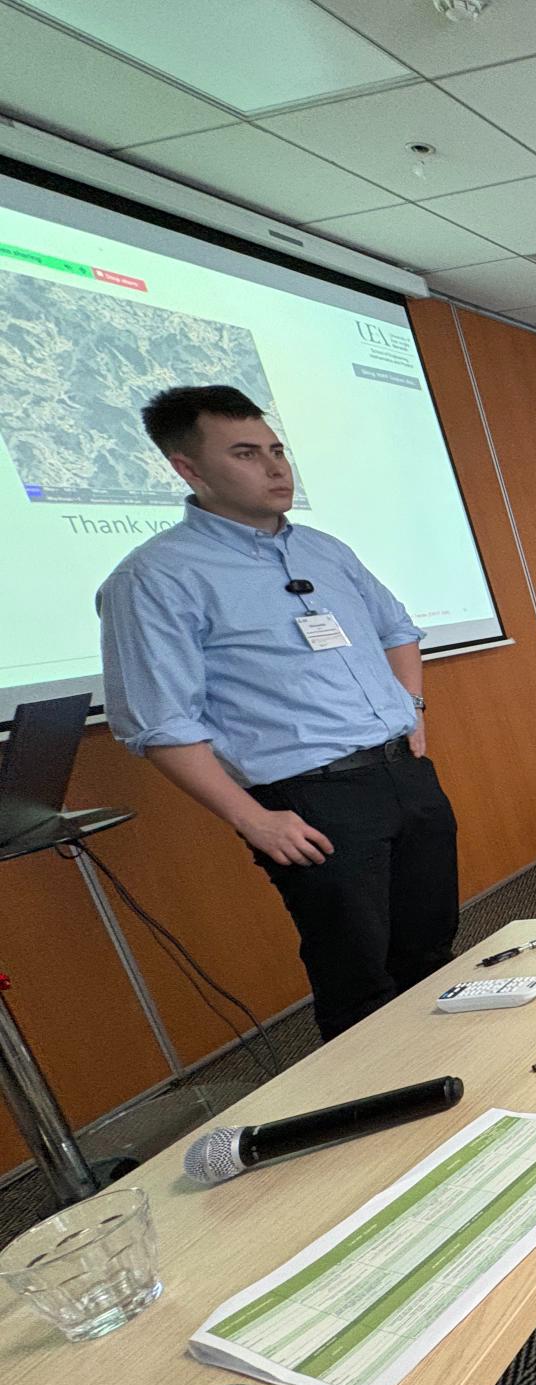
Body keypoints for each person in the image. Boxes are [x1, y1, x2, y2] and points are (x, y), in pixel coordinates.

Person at [97, 385, 458, 1043]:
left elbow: (397, 629)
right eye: (245, 454)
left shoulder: (323, 549)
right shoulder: (155, 577)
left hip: (404, 775)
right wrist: (253, 819)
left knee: (431, 952)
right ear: (188, 469)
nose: (275, 468)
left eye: (276, 450)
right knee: (359, 979)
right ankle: (376, 1095)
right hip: (310, 799)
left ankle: (455, 1075)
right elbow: (159, 722)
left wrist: (412, 709)